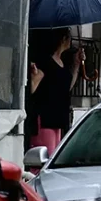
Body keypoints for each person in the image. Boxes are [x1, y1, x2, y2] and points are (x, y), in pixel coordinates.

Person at [28, 28, 84, 157]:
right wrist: (33, 76)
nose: (71, 41)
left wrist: (77, 64)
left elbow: (66, 88)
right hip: (45, 118)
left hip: (58, 118)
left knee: (53, 157)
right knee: (43, 158)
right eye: (69, 37)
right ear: (63, 39)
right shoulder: (45, 63)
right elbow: (32, 88)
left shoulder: (62, 63)